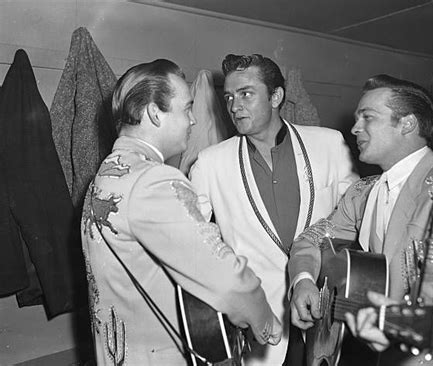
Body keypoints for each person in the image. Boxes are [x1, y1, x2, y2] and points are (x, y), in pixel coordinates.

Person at [80, 59, 282, 366]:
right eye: (186, 109)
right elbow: (226, 278)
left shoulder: (105, 176)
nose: (193, 121)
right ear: (153, 113)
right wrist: (264, 318)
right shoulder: (153, 181)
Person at [289, 74, 433, 365]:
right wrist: (303, 280)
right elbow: (310, 240)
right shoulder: (362, 192)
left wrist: (403, 323)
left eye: (368, 117)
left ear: (407, 123)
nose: (354, 127)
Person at [190, 54, 358, 365]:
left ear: (277, 96)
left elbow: (356, 222)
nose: (234, 106)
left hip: (325, 315)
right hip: (258, 327)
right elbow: (193, 245)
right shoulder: (209, 163)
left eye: (246, 94)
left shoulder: (329, 145)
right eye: (228, 97)